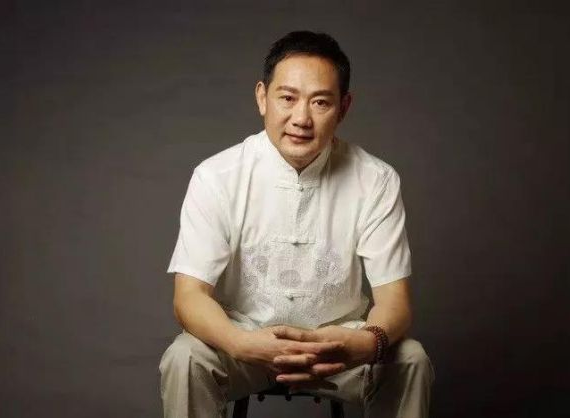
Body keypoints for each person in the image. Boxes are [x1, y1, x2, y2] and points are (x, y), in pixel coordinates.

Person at [159, 30, 434, 418]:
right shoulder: (216, 176)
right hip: (244, 341)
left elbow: (395, 302)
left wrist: (360, 344)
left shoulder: (376, 180)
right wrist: (241, 344)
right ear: (262, 97)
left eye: (321, 102)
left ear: (343, 107)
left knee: (411, 360)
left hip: (339, 344)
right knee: (184, 357)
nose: (301, 119)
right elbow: (188, 296)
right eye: (287, 98)